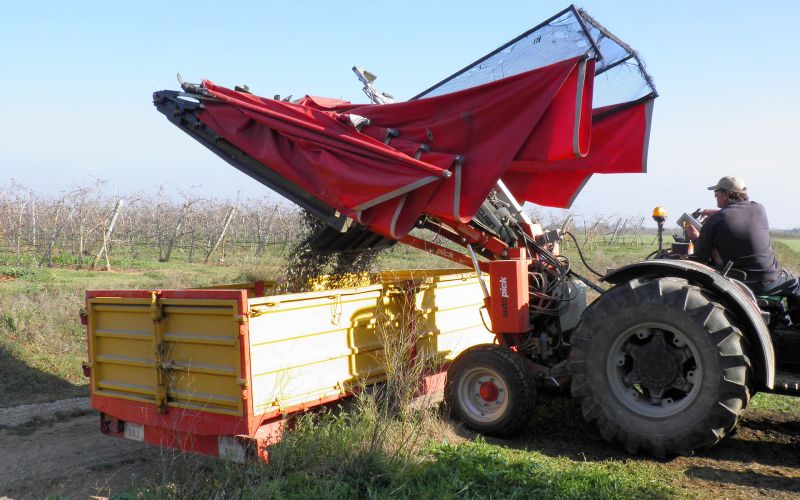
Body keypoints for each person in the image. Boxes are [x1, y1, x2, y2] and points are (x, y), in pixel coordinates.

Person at [684, 175, 800, 320]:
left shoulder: (714, 222)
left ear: (727, 195)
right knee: (795, 283)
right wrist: (716, 212)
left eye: (716, 192)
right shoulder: (759, 208)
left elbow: (699, 259)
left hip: (744, 283)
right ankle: (790, 323)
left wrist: (695, 238)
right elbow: (738, 212)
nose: (715, 195)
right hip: (770, 278)